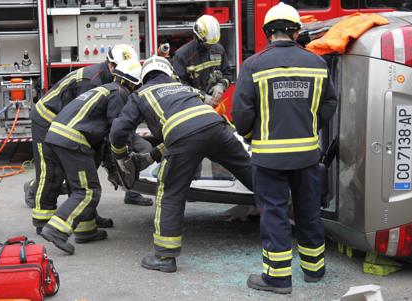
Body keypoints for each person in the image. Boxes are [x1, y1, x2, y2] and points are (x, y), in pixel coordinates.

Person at [109, 56, 253, 273]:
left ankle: (165, 257)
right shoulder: (183, 87)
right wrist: (152, 156)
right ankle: (291, 205)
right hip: (217, 128)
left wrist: (120, 157)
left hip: (184, 137)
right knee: (253, 175)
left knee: (170, 193)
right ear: (169, 73)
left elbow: (118, 131)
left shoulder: (141, 94)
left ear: (143, 77)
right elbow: (199, 113)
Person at [232, 2, 337, 294]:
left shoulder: (253, 65)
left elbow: (241, 116)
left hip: (269, 158)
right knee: (308, 211)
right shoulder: (317, 63)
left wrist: (253, 133)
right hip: (307, 154)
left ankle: (277, 278)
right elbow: (330, 102)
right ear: (296, 31)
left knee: (275, 214)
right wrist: (310, 124)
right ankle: (314, 270)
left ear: (268, 32)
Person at [26, 45, 153, 231]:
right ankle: (42, 219)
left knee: (86, 170)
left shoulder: (114, 84)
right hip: (48, 119)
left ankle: (86, 216)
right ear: (110, 65)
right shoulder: (92, 81)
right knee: (51, 171)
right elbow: (82, 118)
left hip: (70, 126)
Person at [39, 60, 143, 255]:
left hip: (55, 137)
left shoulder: (104, 89)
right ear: (133, 84)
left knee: (78, 185)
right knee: (88, 190)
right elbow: (117, 131)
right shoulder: (120, 94)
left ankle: (86, 231)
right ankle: (56, 230)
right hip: (72, 141)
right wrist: (126, 156)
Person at [171, 15, 232, 107]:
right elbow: (179, 86)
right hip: (190, 106)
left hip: (213, 105)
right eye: (207, 44)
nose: (210, 47)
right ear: (197, 37)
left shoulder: (219, 50)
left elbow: (227, 74)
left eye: (212, 44)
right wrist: (202, 96)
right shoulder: (182, 56)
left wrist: (221, 85)